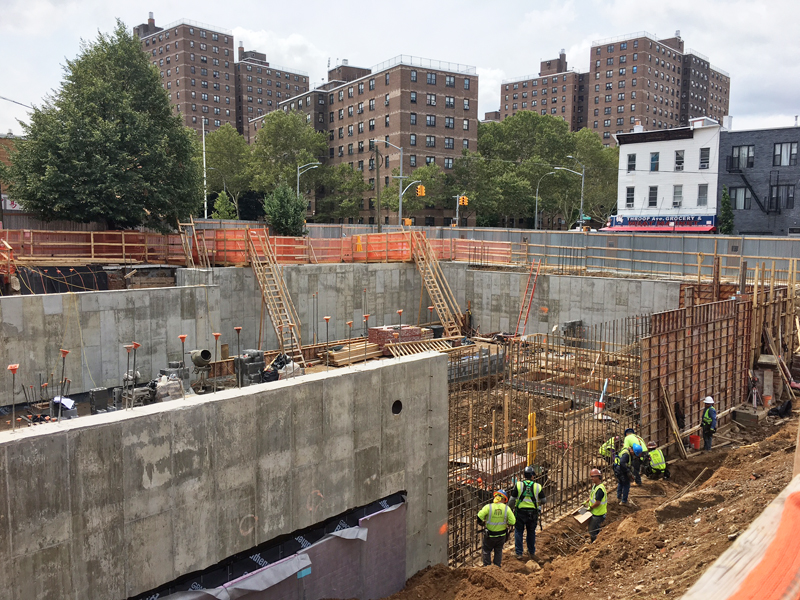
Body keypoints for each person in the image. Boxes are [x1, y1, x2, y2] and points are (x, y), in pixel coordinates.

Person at [508, 466, 545, 560]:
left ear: (524, 475)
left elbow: (512, 500)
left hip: (520, 512)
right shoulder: (538, 486)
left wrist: (509, 509)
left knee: (519, 531)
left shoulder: (518, 485)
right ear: (532, 476)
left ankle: (519, 553)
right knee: (531, 532)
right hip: (532, 513)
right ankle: (531, 552)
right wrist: (537, 504)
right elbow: (544, 500)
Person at [477, 489, 516, 567]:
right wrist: (506, 523)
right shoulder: (506, 508)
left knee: (486, 551)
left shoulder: (488, 507)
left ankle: (487, 567)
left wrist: (482, 523)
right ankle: (497, 568)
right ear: (504, 499)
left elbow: (479, 517)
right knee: (498, 551)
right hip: (501, 535)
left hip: (489, 536)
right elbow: (513, 521)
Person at [584, 468, 607, 542]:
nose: (592, 478)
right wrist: (586, 501)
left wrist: (590, 508)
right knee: (595, 528)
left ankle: (594, 543)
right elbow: (592, 496)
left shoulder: (600, 489)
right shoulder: (595, 486)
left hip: (598, 514)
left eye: (593, 476)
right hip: (595, 512)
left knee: (591, 530)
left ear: (598, 477)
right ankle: (597, 539)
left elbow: (597, 503)